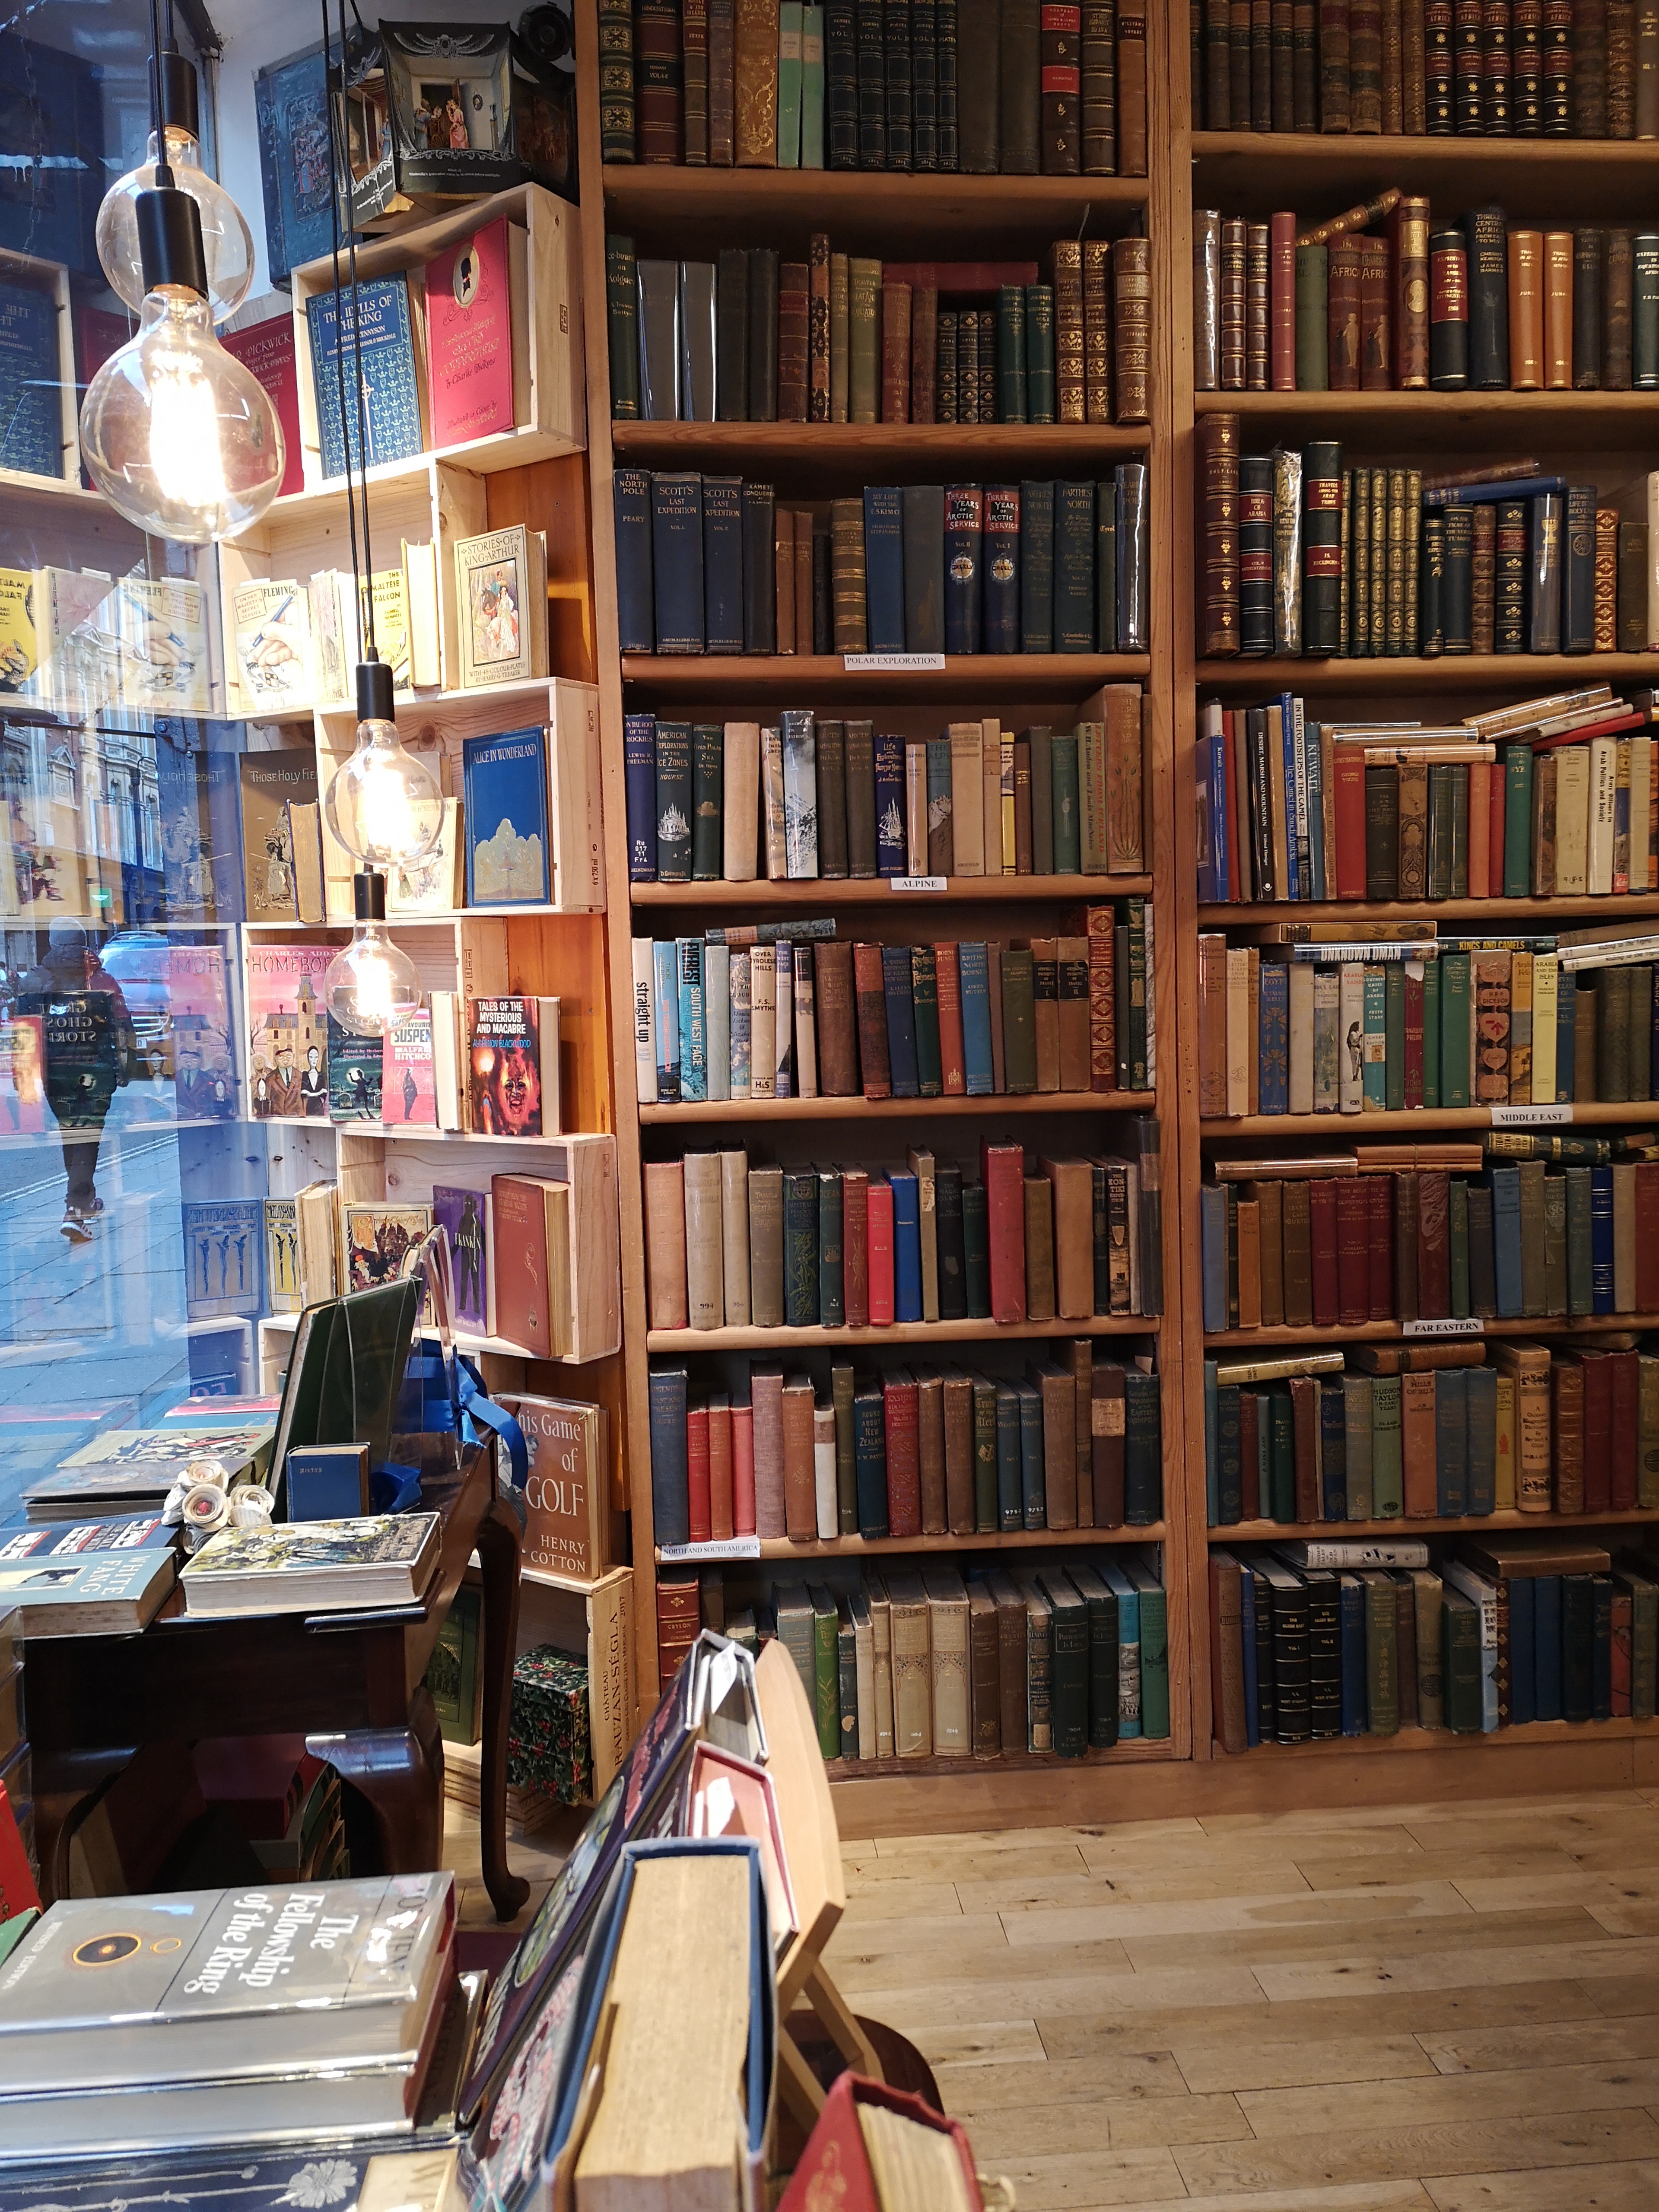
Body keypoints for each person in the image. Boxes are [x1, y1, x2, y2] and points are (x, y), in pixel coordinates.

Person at [14, 922, 138, 1244]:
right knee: (88, 1136)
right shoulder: (102, 980)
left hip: (55, 1074)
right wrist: (125, 1070)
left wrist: (25, 1084)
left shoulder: (35, 982)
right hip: (96, 1073)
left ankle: (84, 1198)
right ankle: (76, 1208)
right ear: (84, 944)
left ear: (52, 944)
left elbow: (23, 1038)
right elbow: (124, 1028)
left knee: (72, 1133)